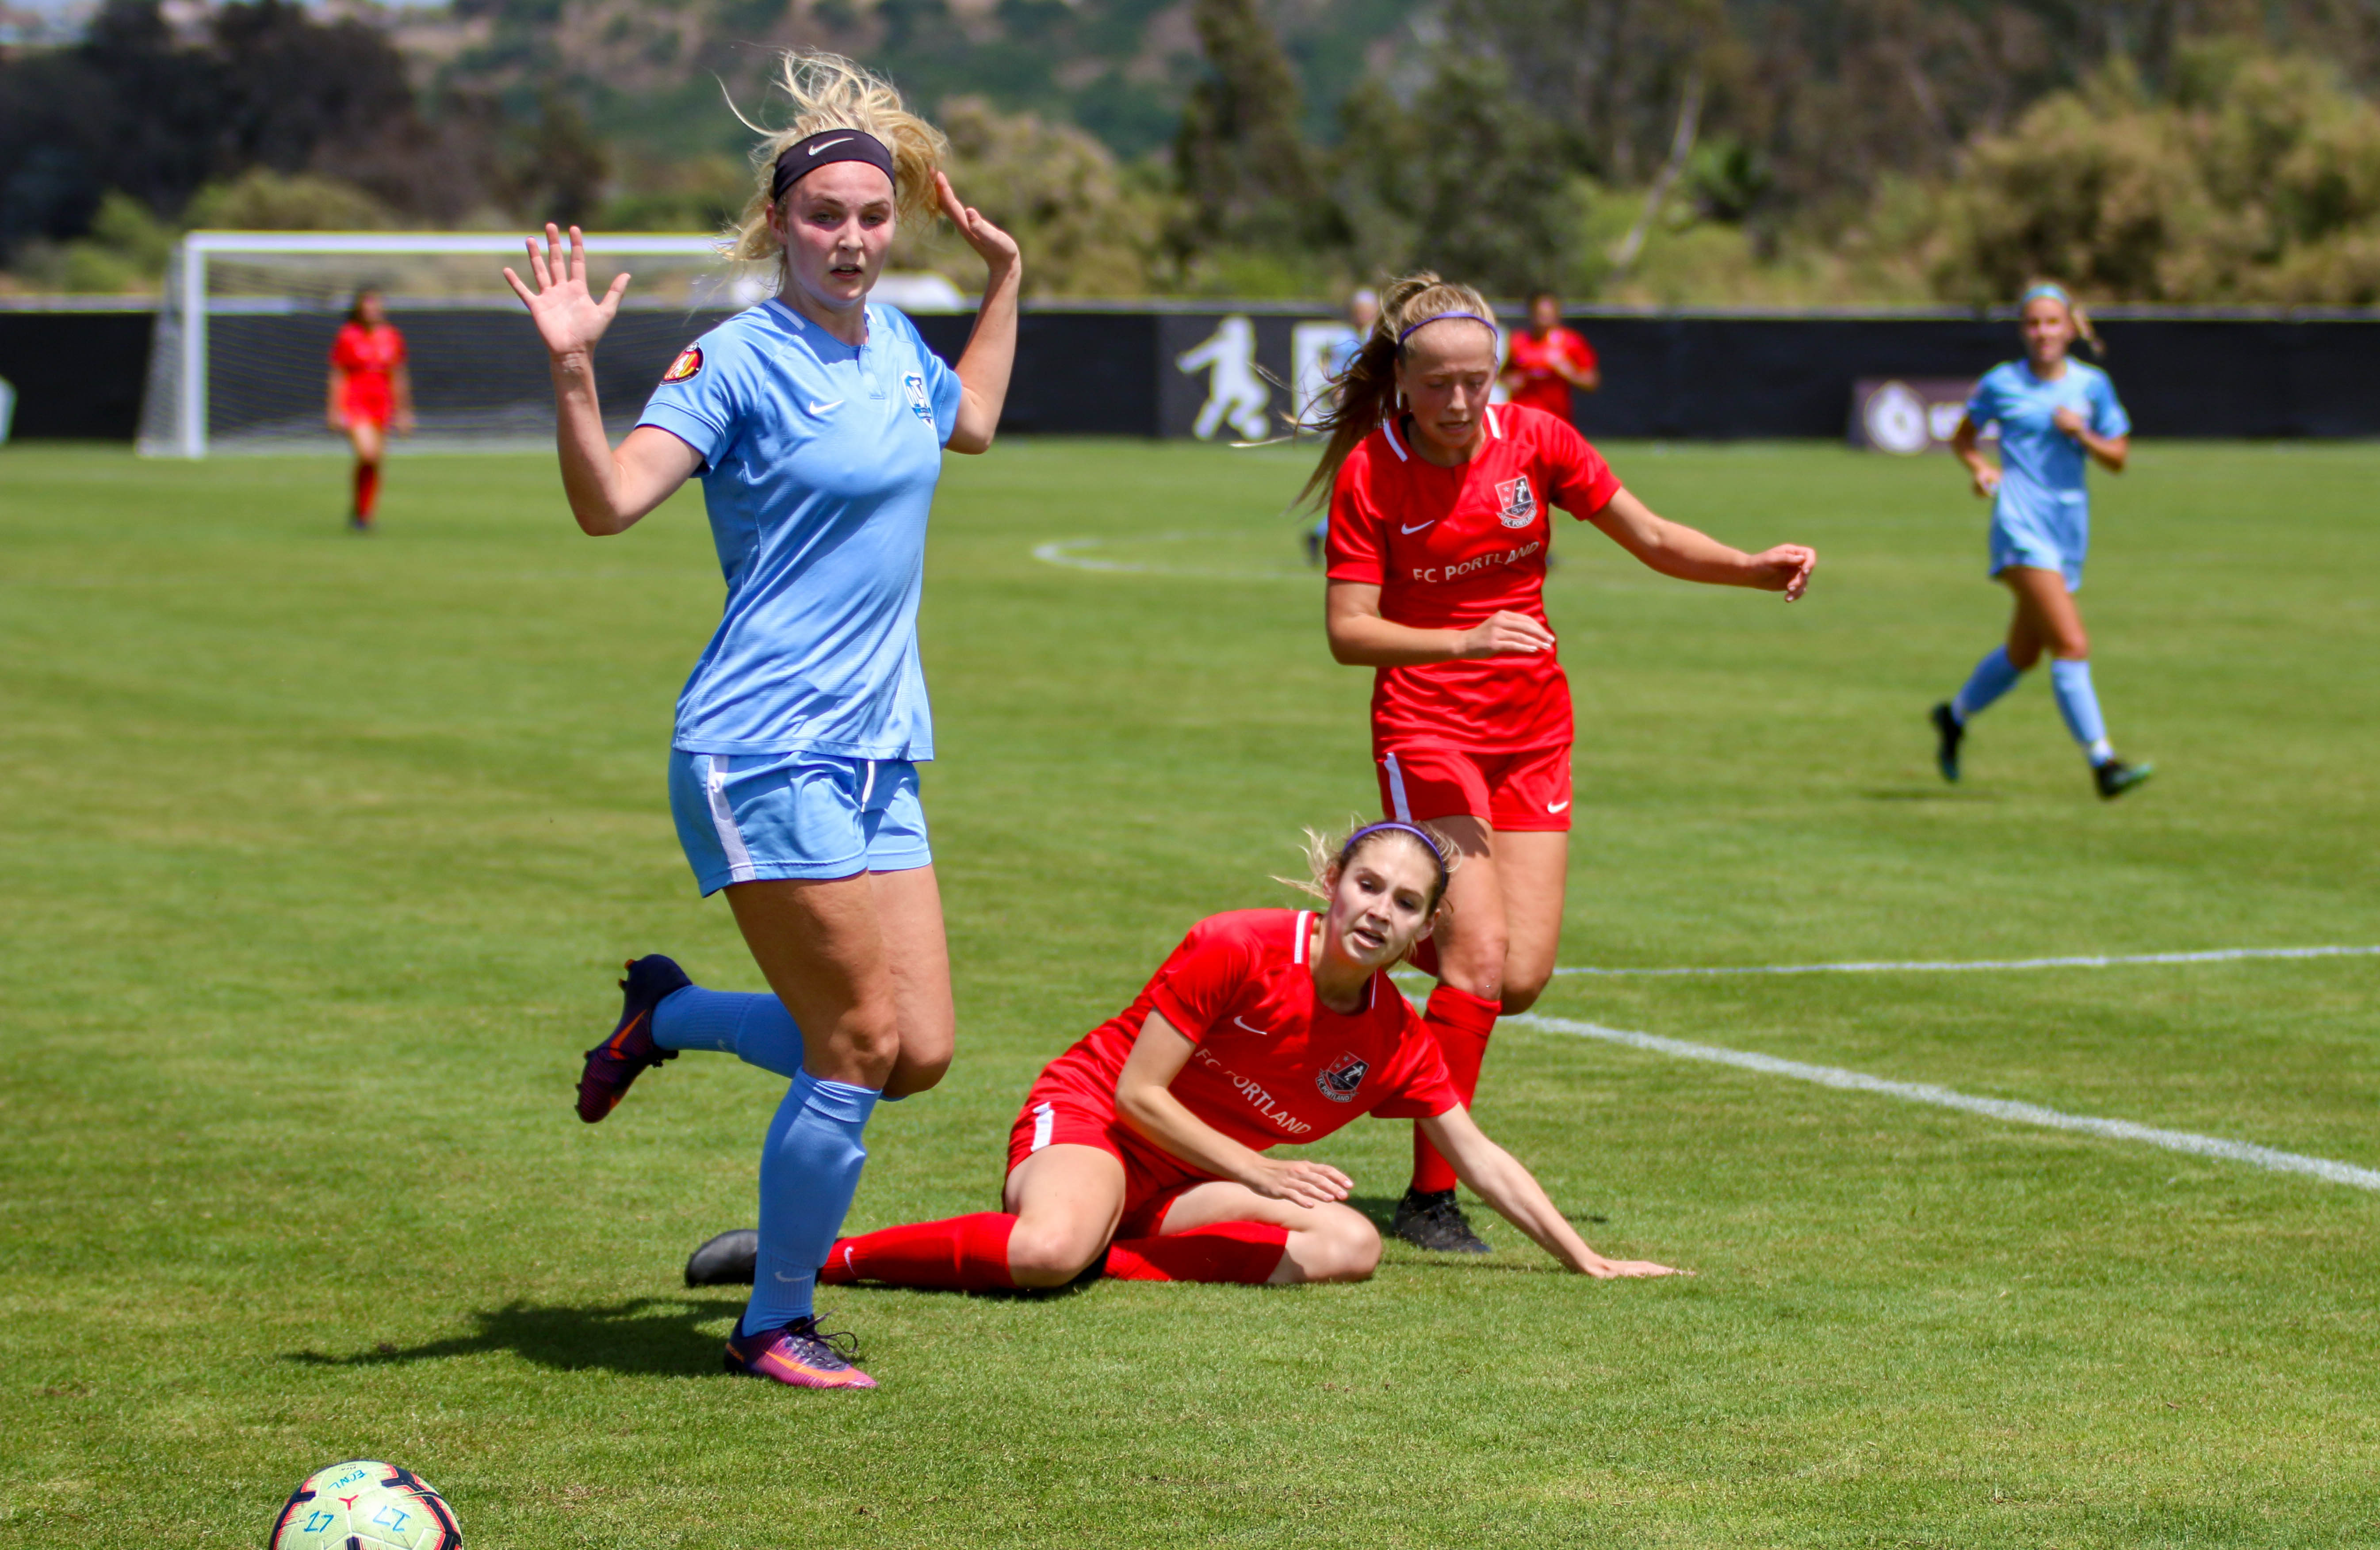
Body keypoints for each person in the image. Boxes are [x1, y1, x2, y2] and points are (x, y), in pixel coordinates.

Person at [503, 49, 1022, 1391]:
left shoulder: (900, 341)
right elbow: (610, 501)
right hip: (760, 742)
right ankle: (771, 1321)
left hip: (879, 746)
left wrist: (1008, 283)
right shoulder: (733, 360)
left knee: (917, 1054)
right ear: (777, 226)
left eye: (869, 216)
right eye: (823, 218)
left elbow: (969, 424)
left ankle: (663, 1021)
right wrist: (572, 371)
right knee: (854, 1040)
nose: (850, 240)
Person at [1304, 273, 1816, 1254]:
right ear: (1402, 382)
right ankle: (1428, 1199)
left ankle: (1374, 945)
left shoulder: (1536, 438)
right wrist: (1459, 644)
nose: (1461, 404)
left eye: (1476, 382)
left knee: (1519, 976)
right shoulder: (1374, 470)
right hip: (1428, 727)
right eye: (1440, 384)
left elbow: (1654, 536)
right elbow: (1346, 632)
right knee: (1480, 961)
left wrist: (1750, 567)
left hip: (1534, 728)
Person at [640, 824, 1680, 1292]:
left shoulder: (1394, 1037)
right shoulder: (1235, 943)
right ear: (1333, 882)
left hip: (1191, 1178)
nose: (1379, 911)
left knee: (1348, 1249)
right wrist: (1260, 1172)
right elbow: (1137, 1091)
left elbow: (1479, 1154)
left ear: (1423, 932)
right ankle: (820, 1260)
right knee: (1047, 1251)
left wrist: (1583, 1260)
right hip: (1097, 1119)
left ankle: (1113, 1250)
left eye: (1406, 906)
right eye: (1368, 887)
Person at [1931, 284, 2150, 799]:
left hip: (2068, 530)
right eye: (2033, 323)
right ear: (2022, 330)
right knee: (2071, 644)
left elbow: (2118, 458)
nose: (2043, 333)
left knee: (2024, 653)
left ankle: (1954, 716)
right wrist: (1983, 469)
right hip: (2019, 528)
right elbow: (1963, 438)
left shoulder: (2092, 387)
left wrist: (2082, 433)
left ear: (2071, 328)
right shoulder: (2002, 383)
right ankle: (2104, 763)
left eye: (2053, 323)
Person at [1302, 288, 1382, 565]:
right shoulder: (1344, 342)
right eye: (1359, 309)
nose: (1364, 315)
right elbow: (1337, 383)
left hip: (1374, 417)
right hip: (1355, 420)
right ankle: (1327, 534)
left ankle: (1321, 532)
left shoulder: (1377, 339)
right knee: (1359, 480)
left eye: (1368, 309)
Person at [325, 289, 413, 531]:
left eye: (377, 306)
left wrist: (404, 412)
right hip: (355, 403)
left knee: (375, 461)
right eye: (368, 306)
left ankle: (364, 514)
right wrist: (334, 410)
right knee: (368, 454)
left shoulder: (392, 336)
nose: (373, 310)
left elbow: (398, 376)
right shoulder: (348, 336)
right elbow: (338, 374)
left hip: (382, 404)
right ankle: (360, 508)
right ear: (359, 309)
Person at [1500, 292, 1597, 424]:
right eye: (1539, 314)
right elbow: (1504, 375)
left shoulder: (1571, 342)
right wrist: (1512, 380)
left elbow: (1592, 382)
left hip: (1556, 420)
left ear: (1557, 314)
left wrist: (1570, 373)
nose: (1543, 319)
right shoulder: (1518, 341)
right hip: (1523, 417)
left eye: (1547, 315)